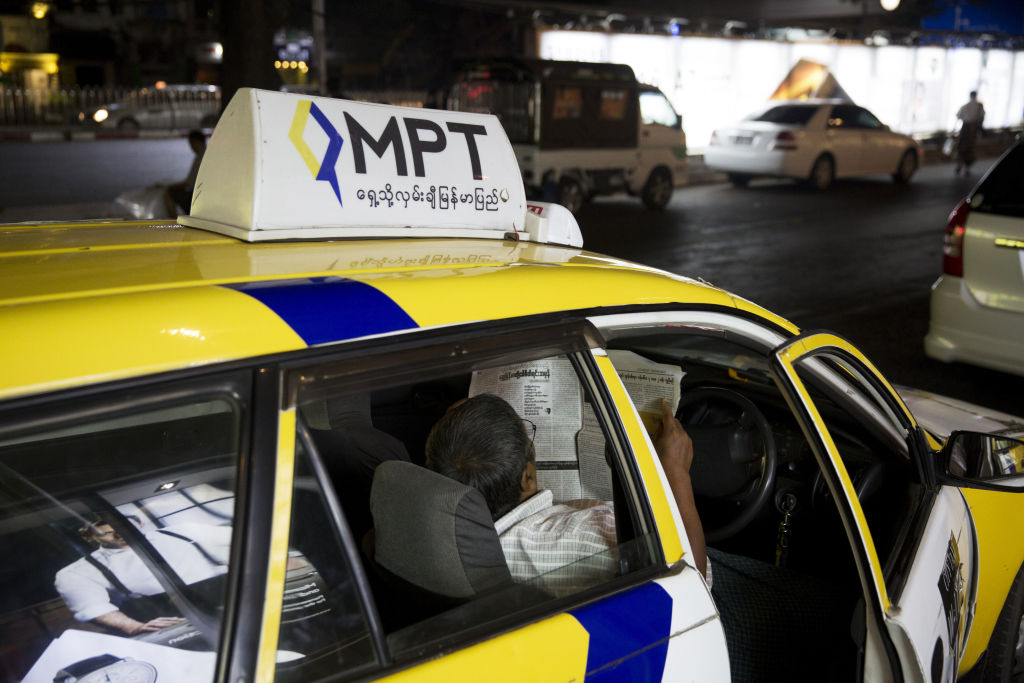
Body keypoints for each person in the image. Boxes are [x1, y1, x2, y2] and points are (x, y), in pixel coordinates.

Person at [424, 393, 706, 595]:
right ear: (527, 478)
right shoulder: (588, 537)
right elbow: (692, 584)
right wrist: (677, 474)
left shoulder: (438, 542)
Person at [54, 513, 230, 636]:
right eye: (107, 532)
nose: (120, 534)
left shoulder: (183, 531)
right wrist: (135, 627)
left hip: (231, 602)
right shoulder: (77, 572)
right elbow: (94, 608)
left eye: (126, 526)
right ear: (88, 537)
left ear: (141, 523)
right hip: (179, 623)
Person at [163, 129, 207, 216]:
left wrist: (170, 186)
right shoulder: (207, 154)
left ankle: (173, 219)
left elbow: (189, 183)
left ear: (196, 142)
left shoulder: (200, 158)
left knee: (169, 192)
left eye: (191, 143)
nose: (191, 147)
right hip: (204, 194)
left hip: (198, 196)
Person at [955, 90, 985, 176]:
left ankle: (959, 165)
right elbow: (982, 116)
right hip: (972, 129)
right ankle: (966, 169)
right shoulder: (979, 106)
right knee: (970, 149)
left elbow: (958, 116)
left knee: (961, 148)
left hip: (965, 128)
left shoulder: (965, 106)